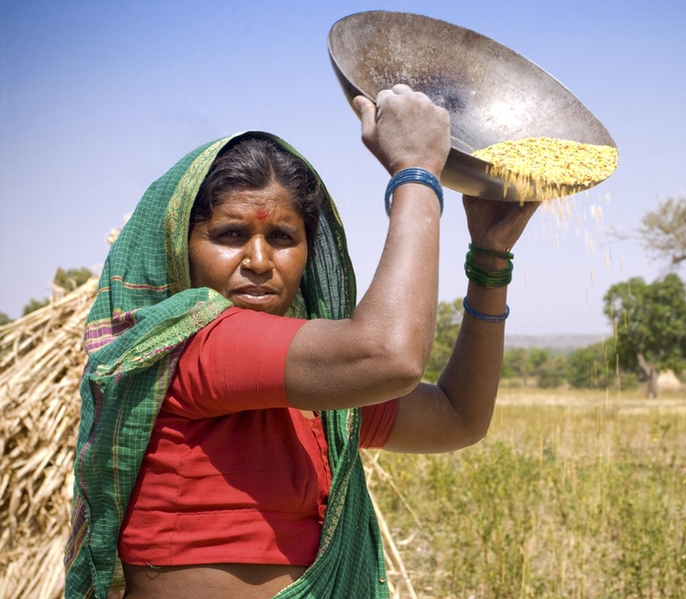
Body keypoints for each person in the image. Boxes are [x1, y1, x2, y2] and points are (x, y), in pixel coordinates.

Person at [64, 85, 538, 599]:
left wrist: (490, 259)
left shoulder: (318, 390)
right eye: (229, 235)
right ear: (181, 247)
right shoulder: (195, 346)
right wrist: (416, 175)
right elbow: (391, 355)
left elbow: (456, 416)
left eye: (283, 238)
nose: (260, 261)